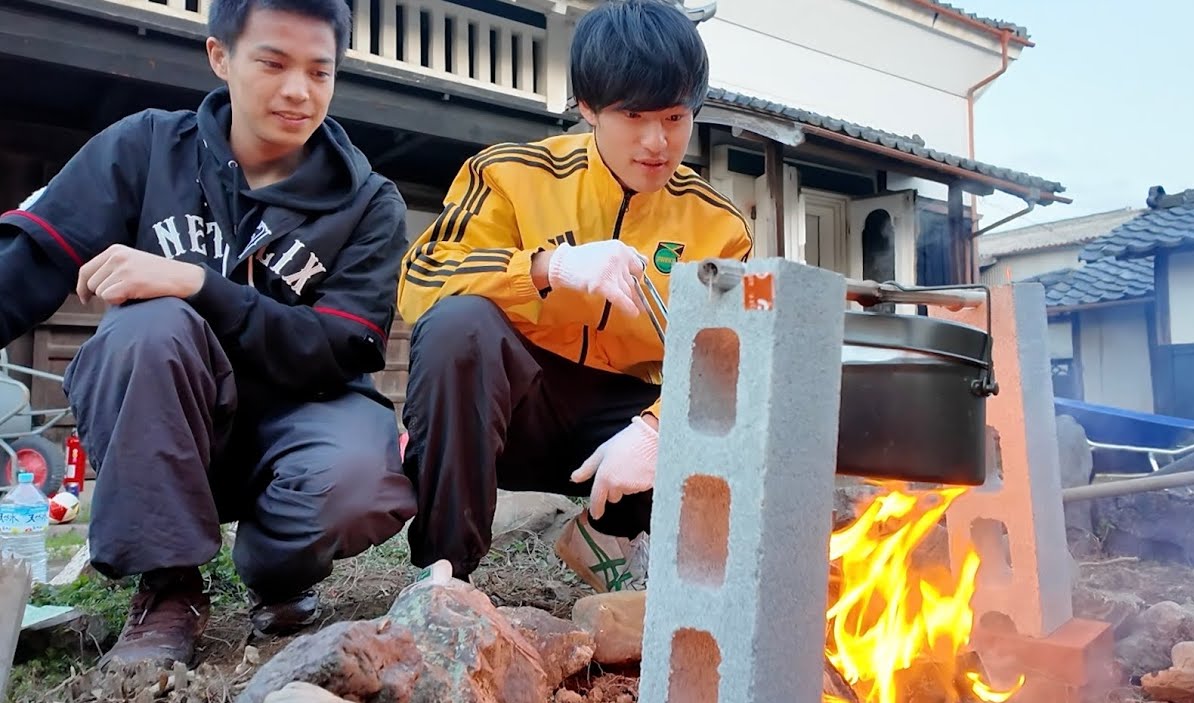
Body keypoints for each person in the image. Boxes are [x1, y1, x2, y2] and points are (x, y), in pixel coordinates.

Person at [0, 0, 417, 668]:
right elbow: (26, 264)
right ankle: (170, 590)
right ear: (220, 56)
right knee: (146, 328)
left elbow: (343, 348)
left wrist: (199, 284)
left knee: (364, 479)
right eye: (273, 63)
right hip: (164, 418)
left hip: (301, 421)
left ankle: (278, 569)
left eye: (319, 70)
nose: (297, 91)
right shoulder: (146, 148)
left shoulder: (367, 202)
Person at [396, 0, 753, 594]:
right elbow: (423, 278)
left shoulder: (720, 227)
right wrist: (547, 266)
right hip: (515, 407)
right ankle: (444, 577)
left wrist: (658, 429)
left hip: (621, 426)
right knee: (459, 325)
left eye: (674, 116)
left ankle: (610, 534)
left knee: (731, 418)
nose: (656, 141)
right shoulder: (511, 174)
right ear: (587, 107)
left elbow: (731, 354)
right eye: (632, 114)